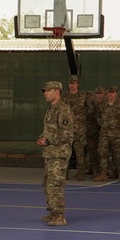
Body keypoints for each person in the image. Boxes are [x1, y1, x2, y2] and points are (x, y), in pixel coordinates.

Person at [37, 80, 74, 225]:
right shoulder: (51, 109)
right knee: (47, 183)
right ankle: (53, 212)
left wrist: (48, 140)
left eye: (48, 90)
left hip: (59, 153)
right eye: (45, 91)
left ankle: (59, 216)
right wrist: (42, 138)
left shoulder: (63, 110)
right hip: (51, 153)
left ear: (57, 91)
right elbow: (49, 130)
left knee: (55, 184)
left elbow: (65, 133)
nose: (45, 93)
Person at [95, 86, 120, 182]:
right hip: (104, 134)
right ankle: (103, 173)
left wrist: (117, 127)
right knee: (103, 153)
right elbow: (97, 116)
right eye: (109, 92)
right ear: (107, 94)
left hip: (117, 135)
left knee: (119, 154)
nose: (111, 94)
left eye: (113, 92)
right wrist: (103, 123)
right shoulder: (102, 106)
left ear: (116, 93)